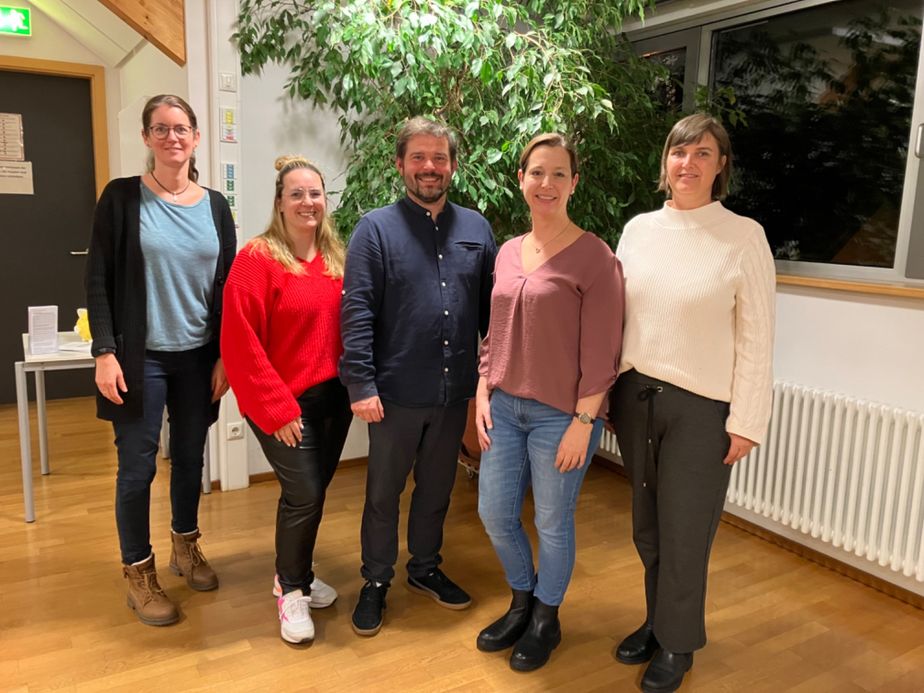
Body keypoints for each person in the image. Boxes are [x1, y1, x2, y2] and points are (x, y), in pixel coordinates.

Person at [610, 113, 775, 693]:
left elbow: (758, 335)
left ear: (720, 165)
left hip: (703, 409)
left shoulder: (744, 236)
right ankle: (657, 622)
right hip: (636, 398)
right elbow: (617, 318)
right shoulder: (637, 230)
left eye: (703, 153)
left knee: (685, 530)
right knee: (648, 530)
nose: (689, 164)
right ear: (666, 163)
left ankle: (679, 644)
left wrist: (748, 420)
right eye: (679, 153)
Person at [340, 116, 497, 636]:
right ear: (400, 164)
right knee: (383, 493)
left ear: (453, 165)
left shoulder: (476, 229)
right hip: (393, 395)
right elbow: (357, 312)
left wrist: (487, 388)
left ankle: (425, 568)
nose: (429, 167)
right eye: (418, 158)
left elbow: (493, 318)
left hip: (454, 395)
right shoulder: (374, 229)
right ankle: (376, 581)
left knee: (437, 489)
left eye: (439, 158)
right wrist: (360, 386)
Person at [474, 133, 624, 672]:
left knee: (554, 523)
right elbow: (493, 333)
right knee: (494, 512)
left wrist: (585, 421)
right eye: (538, 172)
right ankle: (522, 599)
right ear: (521, 179)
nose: (547, 183)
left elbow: (604, 351)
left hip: (562, 415)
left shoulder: (595, 257)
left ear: (573, 183)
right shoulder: (509, 251)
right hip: (506, 407)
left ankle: (546, 618)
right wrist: (481, 391)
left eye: (559, 173)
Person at [85, 94, 236, 626]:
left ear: (196, 138)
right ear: (148, 138)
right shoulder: (122, 199)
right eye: (161, 129)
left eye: (181, 129)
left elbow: (228, 288)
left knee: (191, 460)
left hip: (198, 357)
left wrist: (225, 356)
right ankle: (138, 571)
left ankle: (185, 547)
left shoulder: (216, 206)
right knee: (137, 469)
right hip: (138, 356)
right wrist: (105, 351)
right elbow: (98, 279)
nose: (173, 138)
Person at [221, 155, 353, 644]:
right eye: (296, 194)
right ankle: (290, 588)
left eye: (315, 193)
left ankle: (296, 569)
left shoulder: (338, 258)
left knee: (313, 493)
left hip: (334, 400)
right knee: (304, 494)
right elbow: (239, 341)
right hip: (283, 401)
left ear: (325, 201)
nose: (307, 202)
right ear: (279, 202)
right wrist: (277, 408)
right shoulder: (257, 259)